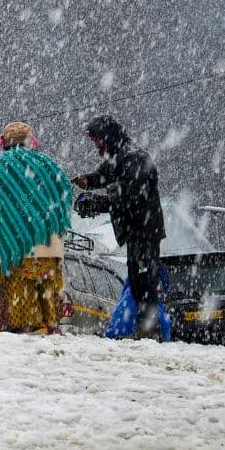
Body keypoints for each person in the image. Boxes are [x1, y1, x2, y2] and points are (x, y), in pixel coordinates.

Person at [0, 122, 72, 335]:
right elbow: (65, 190)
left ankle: (23, 336)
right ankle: (53, 331)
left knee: (19, 310)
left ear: (5, 142)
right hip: (47, 245)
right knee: (49, 305)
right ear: (30, 140)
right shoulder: (46, 164)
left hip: (9, 248)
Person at [72, 114, 165, 340]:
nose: (96, 147)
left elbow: (128, 196)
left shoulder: (135, 157)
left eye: (98, 141)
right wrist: (88, 181)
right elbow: (105, 175)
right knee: (136, 281)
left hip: (145, 232)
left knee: (144, 282)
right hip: (136, 232)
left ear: (109, 137)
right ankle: (145, 329)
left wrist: (98, 202)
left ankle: (149, 330)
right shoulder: (120, 157)